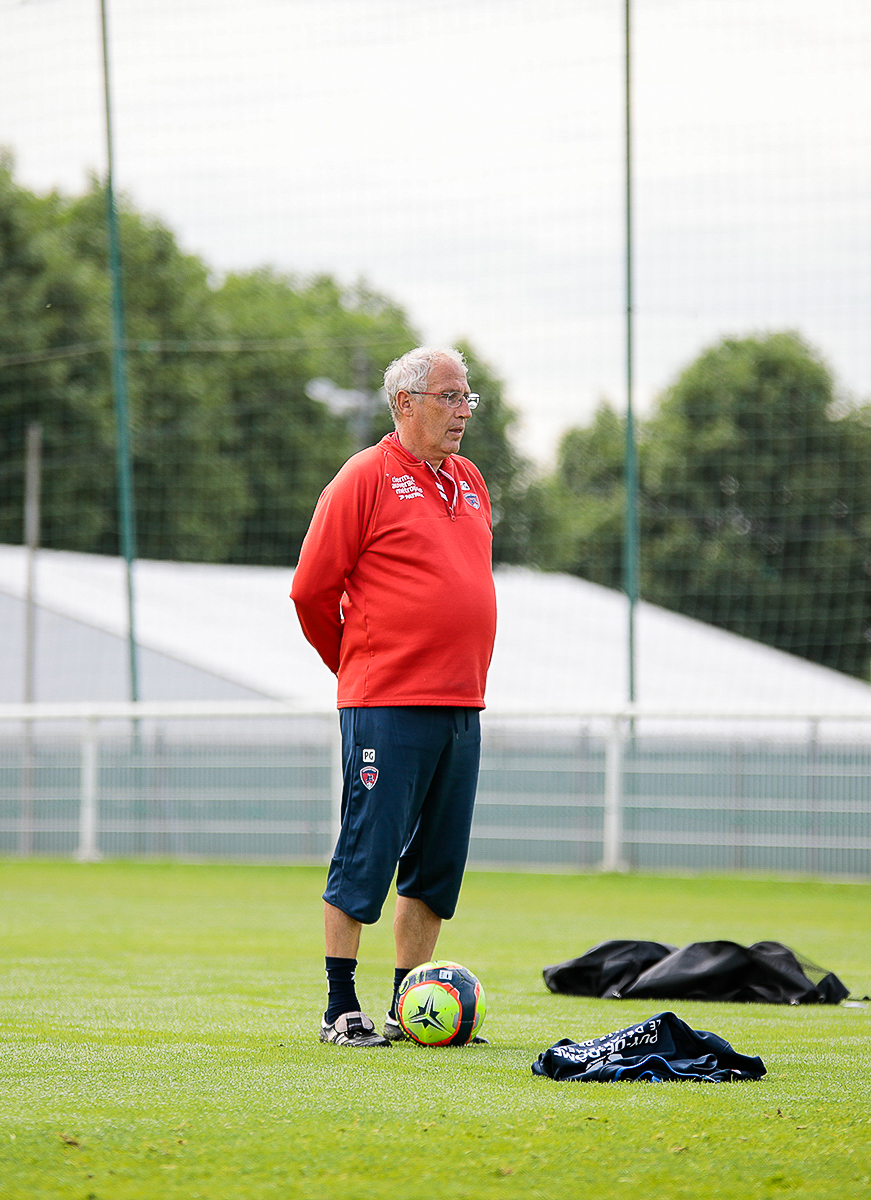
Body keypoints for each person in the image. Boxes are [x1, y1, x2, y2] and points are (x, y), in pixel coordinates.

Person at [289, 345, 497, 1048]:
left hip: (461, 705)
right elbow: (311, 590)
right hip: (387, 702)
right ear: (405, 404)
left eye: (469, 397)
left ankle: (411, 1006)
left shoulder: (470, 481)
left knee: (435, 868)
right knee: (366, 852)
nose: (463, 410)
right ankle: (339, 1007)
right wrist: (354, 666)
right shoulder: (363, 478)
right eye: (449, 396)